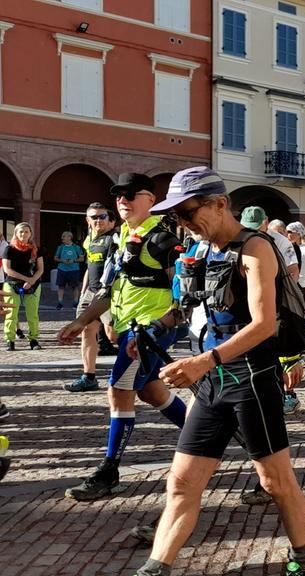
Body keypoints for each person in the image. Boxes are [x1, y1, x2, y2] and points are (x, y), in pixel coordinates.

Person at [128, 167, 305, 576]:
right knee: (181, 483)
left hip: (250, 379)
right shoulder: (204, 249)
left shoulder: (254, 248)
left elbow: (264, 324)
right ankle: (155, 566)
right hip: (210, 385)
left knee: (275, 483)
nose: (182, 223)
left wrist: (202, 361)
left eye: (187, 212)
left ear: (219, 203)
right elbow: (199, 310)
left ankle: (302, 556)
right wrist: (156, 327)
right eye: (175, 216)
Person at [57, 172, 189, 501]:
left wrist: (159, 327)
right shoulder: (119, 241)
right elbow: (108, 290)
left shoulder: (162, 242)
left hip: (148, 332)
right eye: (118, 195)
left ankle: (109, 470)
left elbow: (184, 298)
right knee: (151, 391)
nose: (123, 200)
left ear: (151, 201)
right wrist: (82, 321)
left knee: (118, 389)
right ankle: (204, 434)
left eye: (131, 194)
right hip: (131, 330)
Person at [66, 203, 120, 392]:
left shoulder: (115, 238)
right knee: (87, 331)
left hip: (109, 293)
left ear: (111, 221)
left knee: (114, 336)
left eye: (102, 216)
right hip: (91, 292)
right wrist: (84, 289)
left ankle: (135, 370)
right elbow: (90, 266)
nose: (98, 220)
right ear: (88, 220)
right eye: (94, 217)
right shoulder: (89, 240)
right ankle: (89, 376)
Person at [3, 222, 43, 350]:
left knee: (32, 314)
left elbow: (40, 269)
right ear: (16, 233)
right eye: (20, 231)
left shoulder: (36, 249)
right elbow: (7, 269)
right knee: (11, 313)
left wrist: (31, 281)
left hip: (33, 285)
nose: (23, 234)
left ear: (30, 233)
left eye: (26, 231)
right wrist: (26, 279)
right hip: (12, 283)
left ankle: (33, 340)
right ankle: (10, 340)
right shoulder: (9, 249)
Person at [53, 230, 85, 309]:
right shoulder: (60, 247)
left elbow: (82, 258)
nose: (62, 238)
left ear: (69, 237)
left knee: (75, 287)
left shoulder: (76, 247)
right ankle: (60, 303)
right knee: (61, 287)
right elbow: (55, 258)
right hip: (62, 269)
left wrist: (73, 261)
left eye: (64, 236)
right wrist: (62, 260)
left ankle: (76, 303)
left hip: (74, 270)